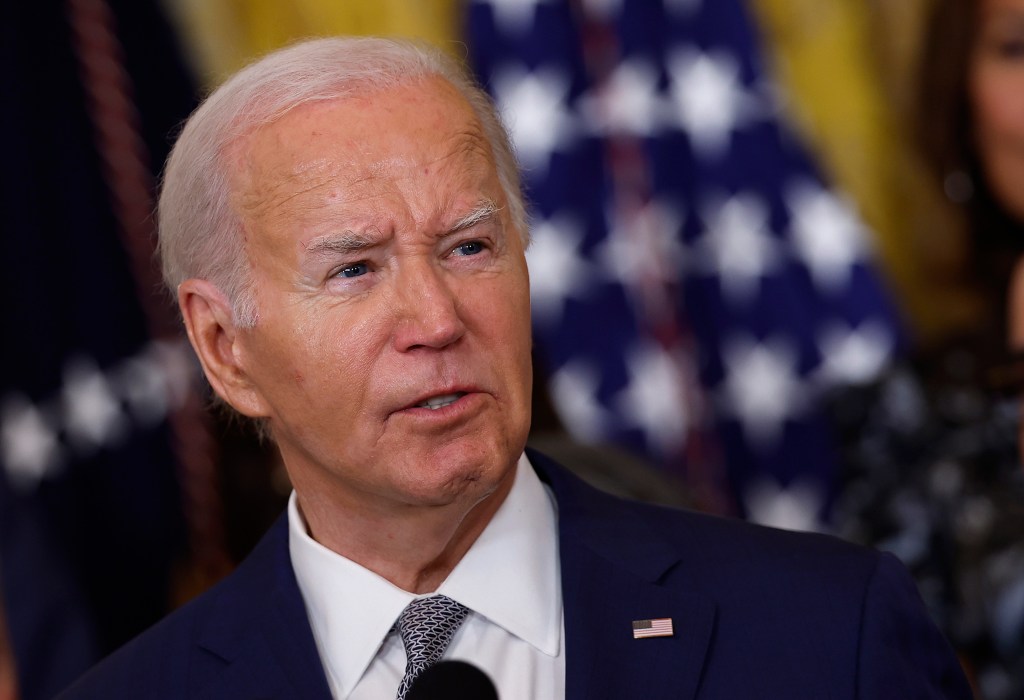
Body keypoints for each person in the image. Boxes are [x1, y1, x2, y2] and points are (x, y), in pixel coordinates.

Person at [58, 36, 970, 699]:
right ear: (224, 349)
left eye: (468, 247)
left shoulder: (827, 636)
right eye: (354, 269)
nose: (437, 319)